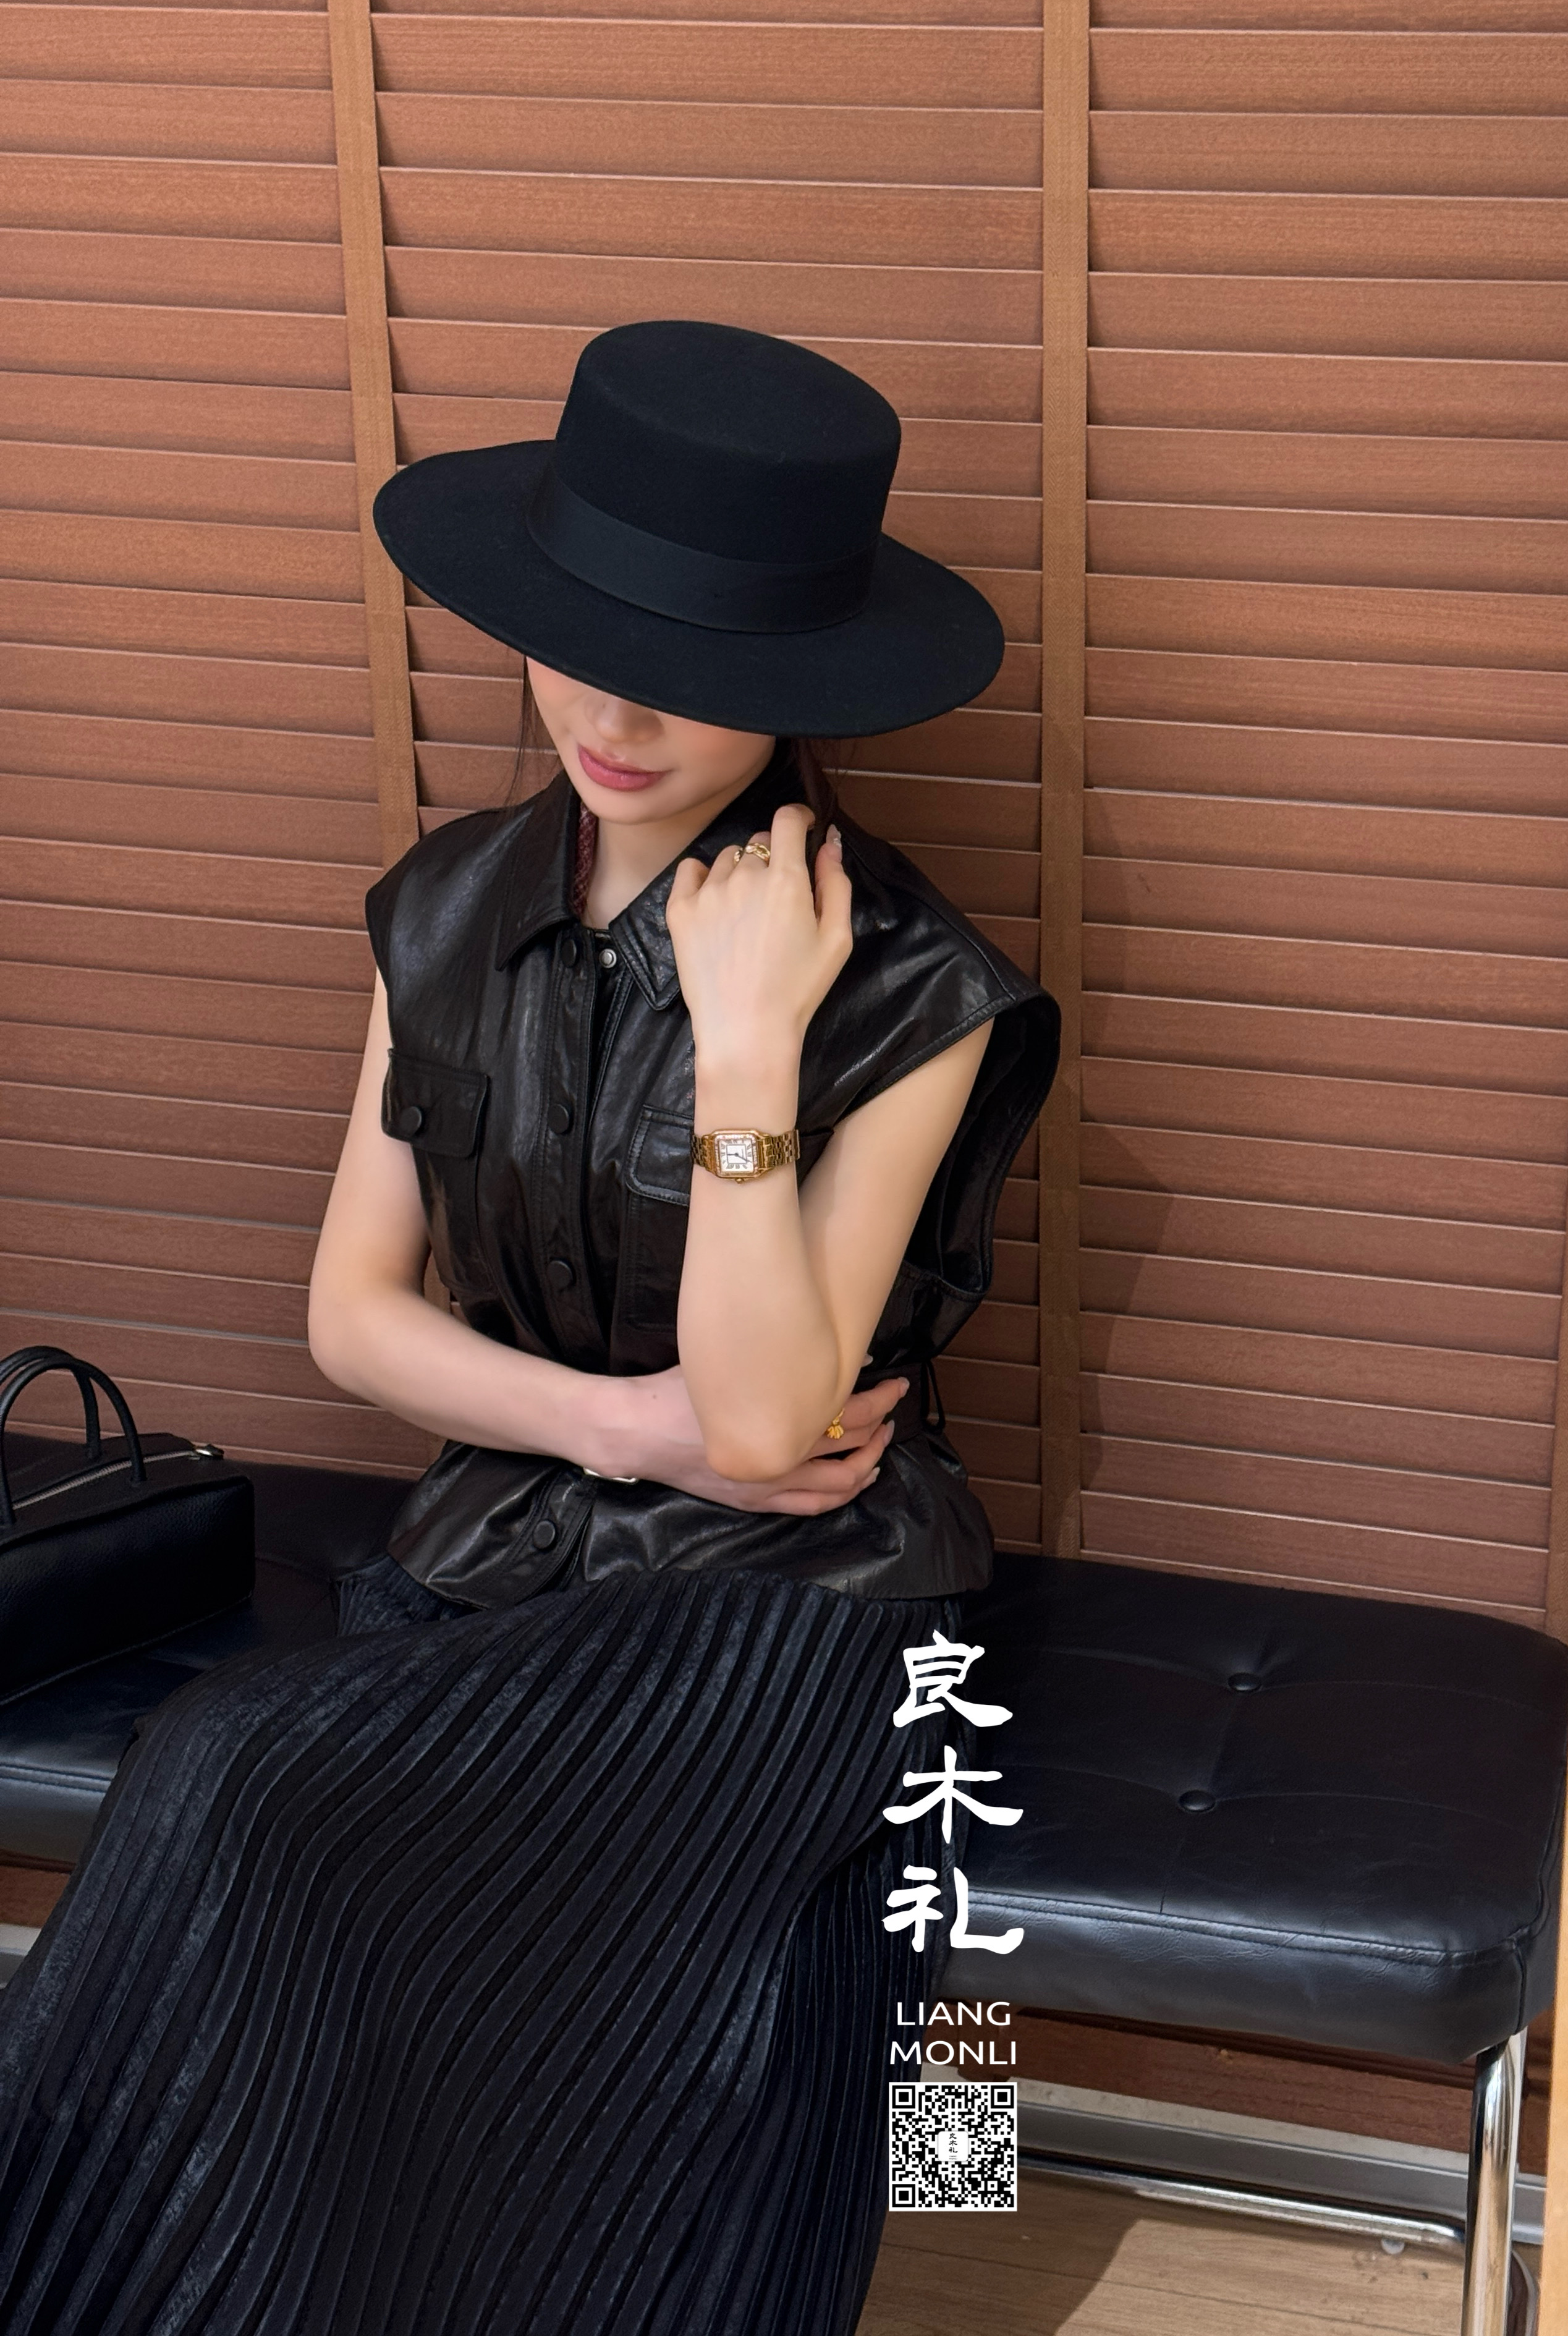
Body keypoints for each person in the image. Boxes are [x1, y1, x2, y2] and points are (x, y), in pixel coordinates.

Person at [0, 321, 1057, 2335]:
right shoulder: (440, 912)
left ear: (798, 681)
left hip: (797, 1609)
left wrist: (747, 1050)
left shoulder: (920, 988)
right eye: (578, 643)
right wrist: (611, 1428)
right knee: (249, 1818)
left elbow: (766, 1432)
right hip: (501, 1553)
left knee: (232, 1772)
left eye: (688, 668)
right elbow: (351, 1316)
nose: (614, 711)